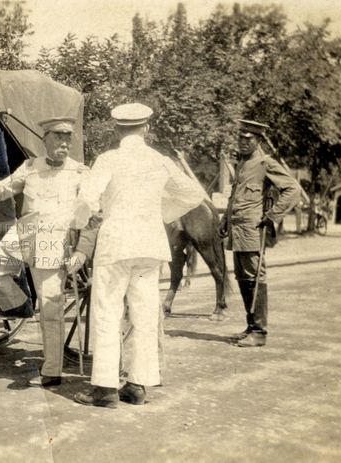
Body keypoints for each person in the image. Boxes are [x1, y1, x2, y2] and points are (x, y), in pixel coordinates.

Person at [71, 103, 204, 408]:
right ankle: (137, 386)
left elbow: (87, 199)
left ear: (117, 130)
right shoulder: (161, 162)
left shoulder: (108, 159)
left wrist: (83, 220)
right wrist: (161, 214)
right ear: (146, 129)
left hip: (115, 245)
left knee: (107, 313)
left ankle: (104, 390)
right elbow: (194, 195)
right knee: (144, 317)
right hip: (149, 246)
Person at [0, 117, 96, 387]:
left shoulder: (80, 173)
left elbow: (90, 216)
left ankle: (52, 370)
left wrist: (83, 252)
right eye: (57, 137)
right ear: (45, 139)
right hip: (25, 234)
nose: (64, 143)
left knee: (51, 308)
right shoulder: (30, 167)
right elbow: (0, 190)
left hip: (52, 241)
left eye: (68, 138)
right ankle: (19, 304)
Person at [218, 119, 300, 348]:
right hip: (238, 228)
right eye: (240, 138)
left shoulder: (266, 163)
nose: (242, 143)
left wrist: (272, 216)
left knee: (255, 277)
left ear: (259, 140)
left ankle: (260, 331)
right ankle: (251, 326)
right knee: (243, 277)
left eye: (248, 139)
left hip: (254, 229)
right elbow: (236, 196)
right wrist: (225, 219)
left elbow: (293, 189)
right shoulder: (243, 164)